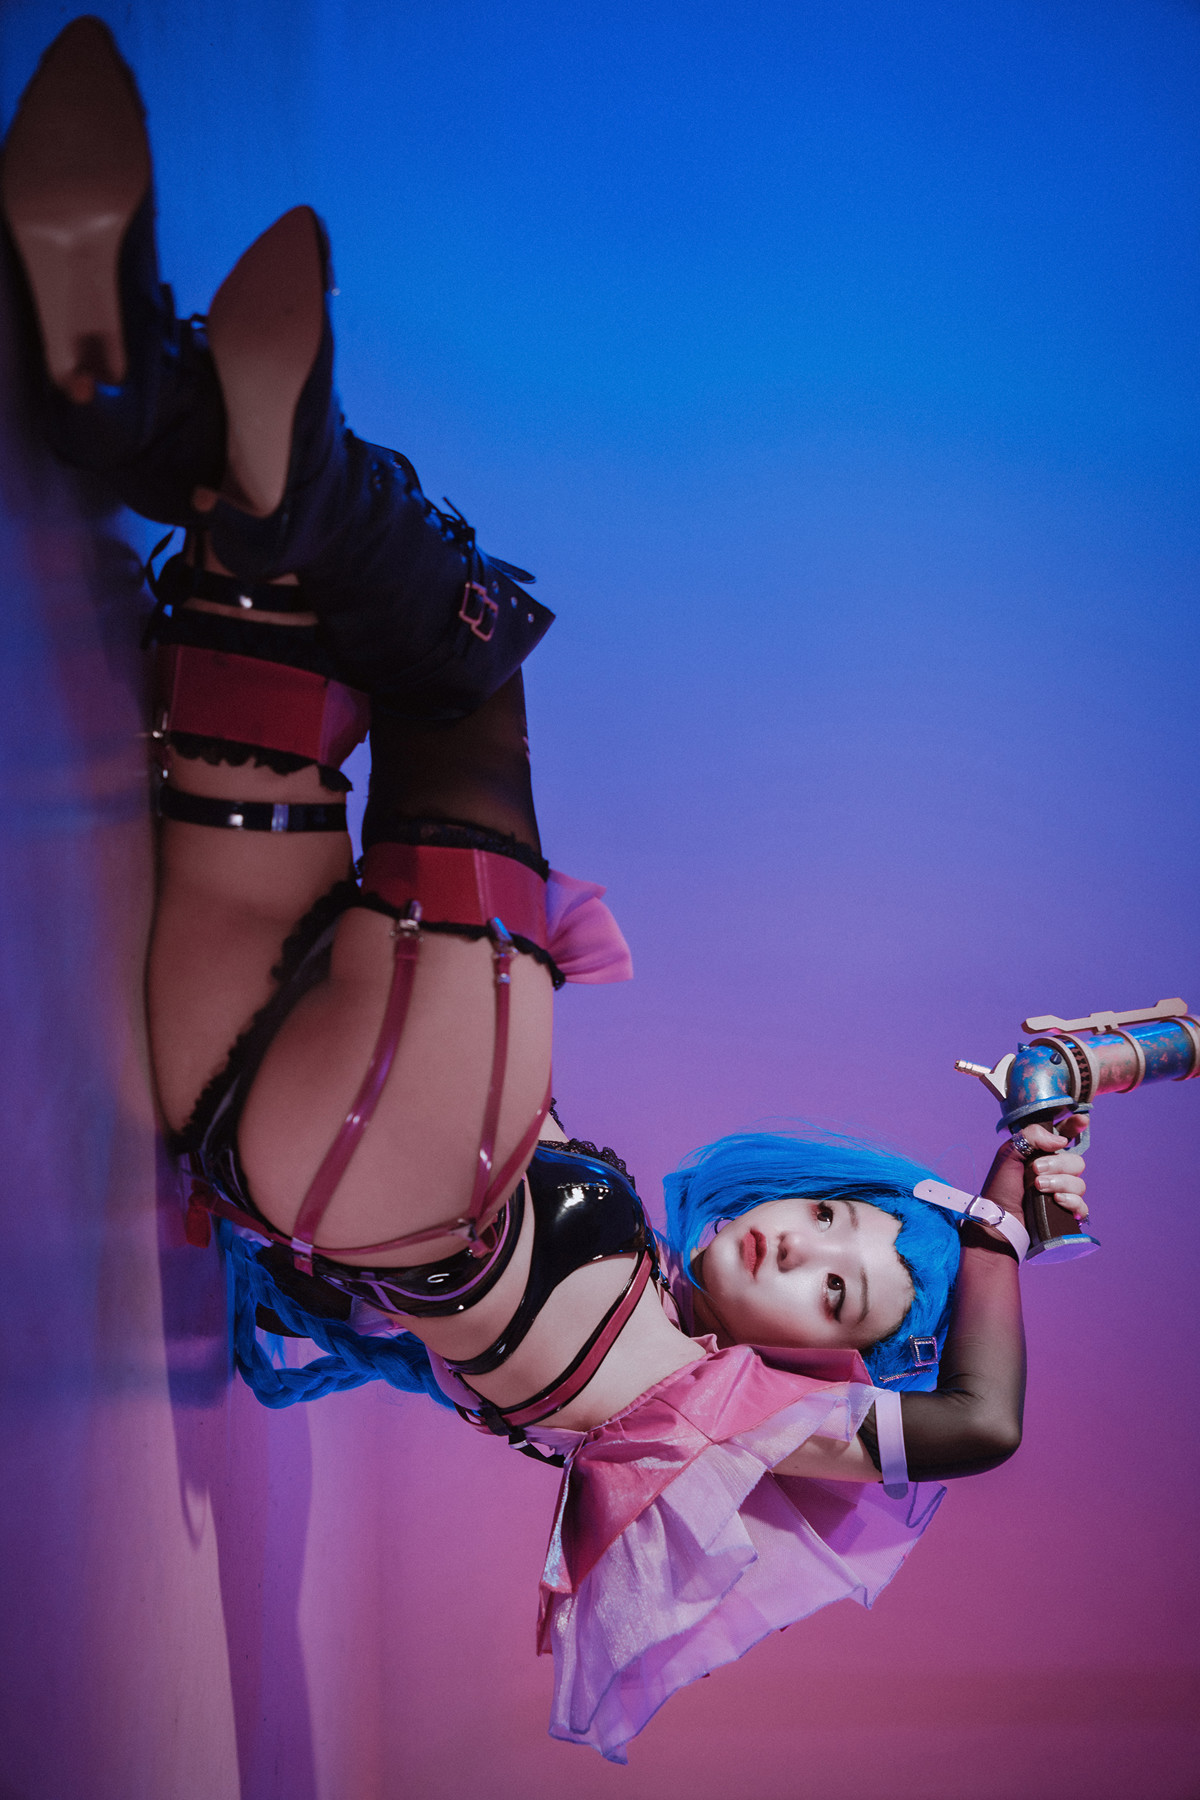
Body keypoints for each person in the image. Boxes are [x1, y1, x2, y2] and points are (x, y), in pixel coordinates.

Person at [2, 19, 1091, 1763]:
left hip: (376, 1156)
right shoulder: (658, 1276)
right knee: (270, 636)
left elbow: (978, 1426)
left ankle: (219, 422)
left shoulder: (729, 1428)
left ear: (819, 1367)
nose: (804, 1250)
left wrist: (994, 1232)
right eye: (830, 1226)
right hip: (247, 1053)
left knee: (465, 667)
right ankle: (126, 388)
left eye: (834, 1296)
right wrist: (963, 1189)